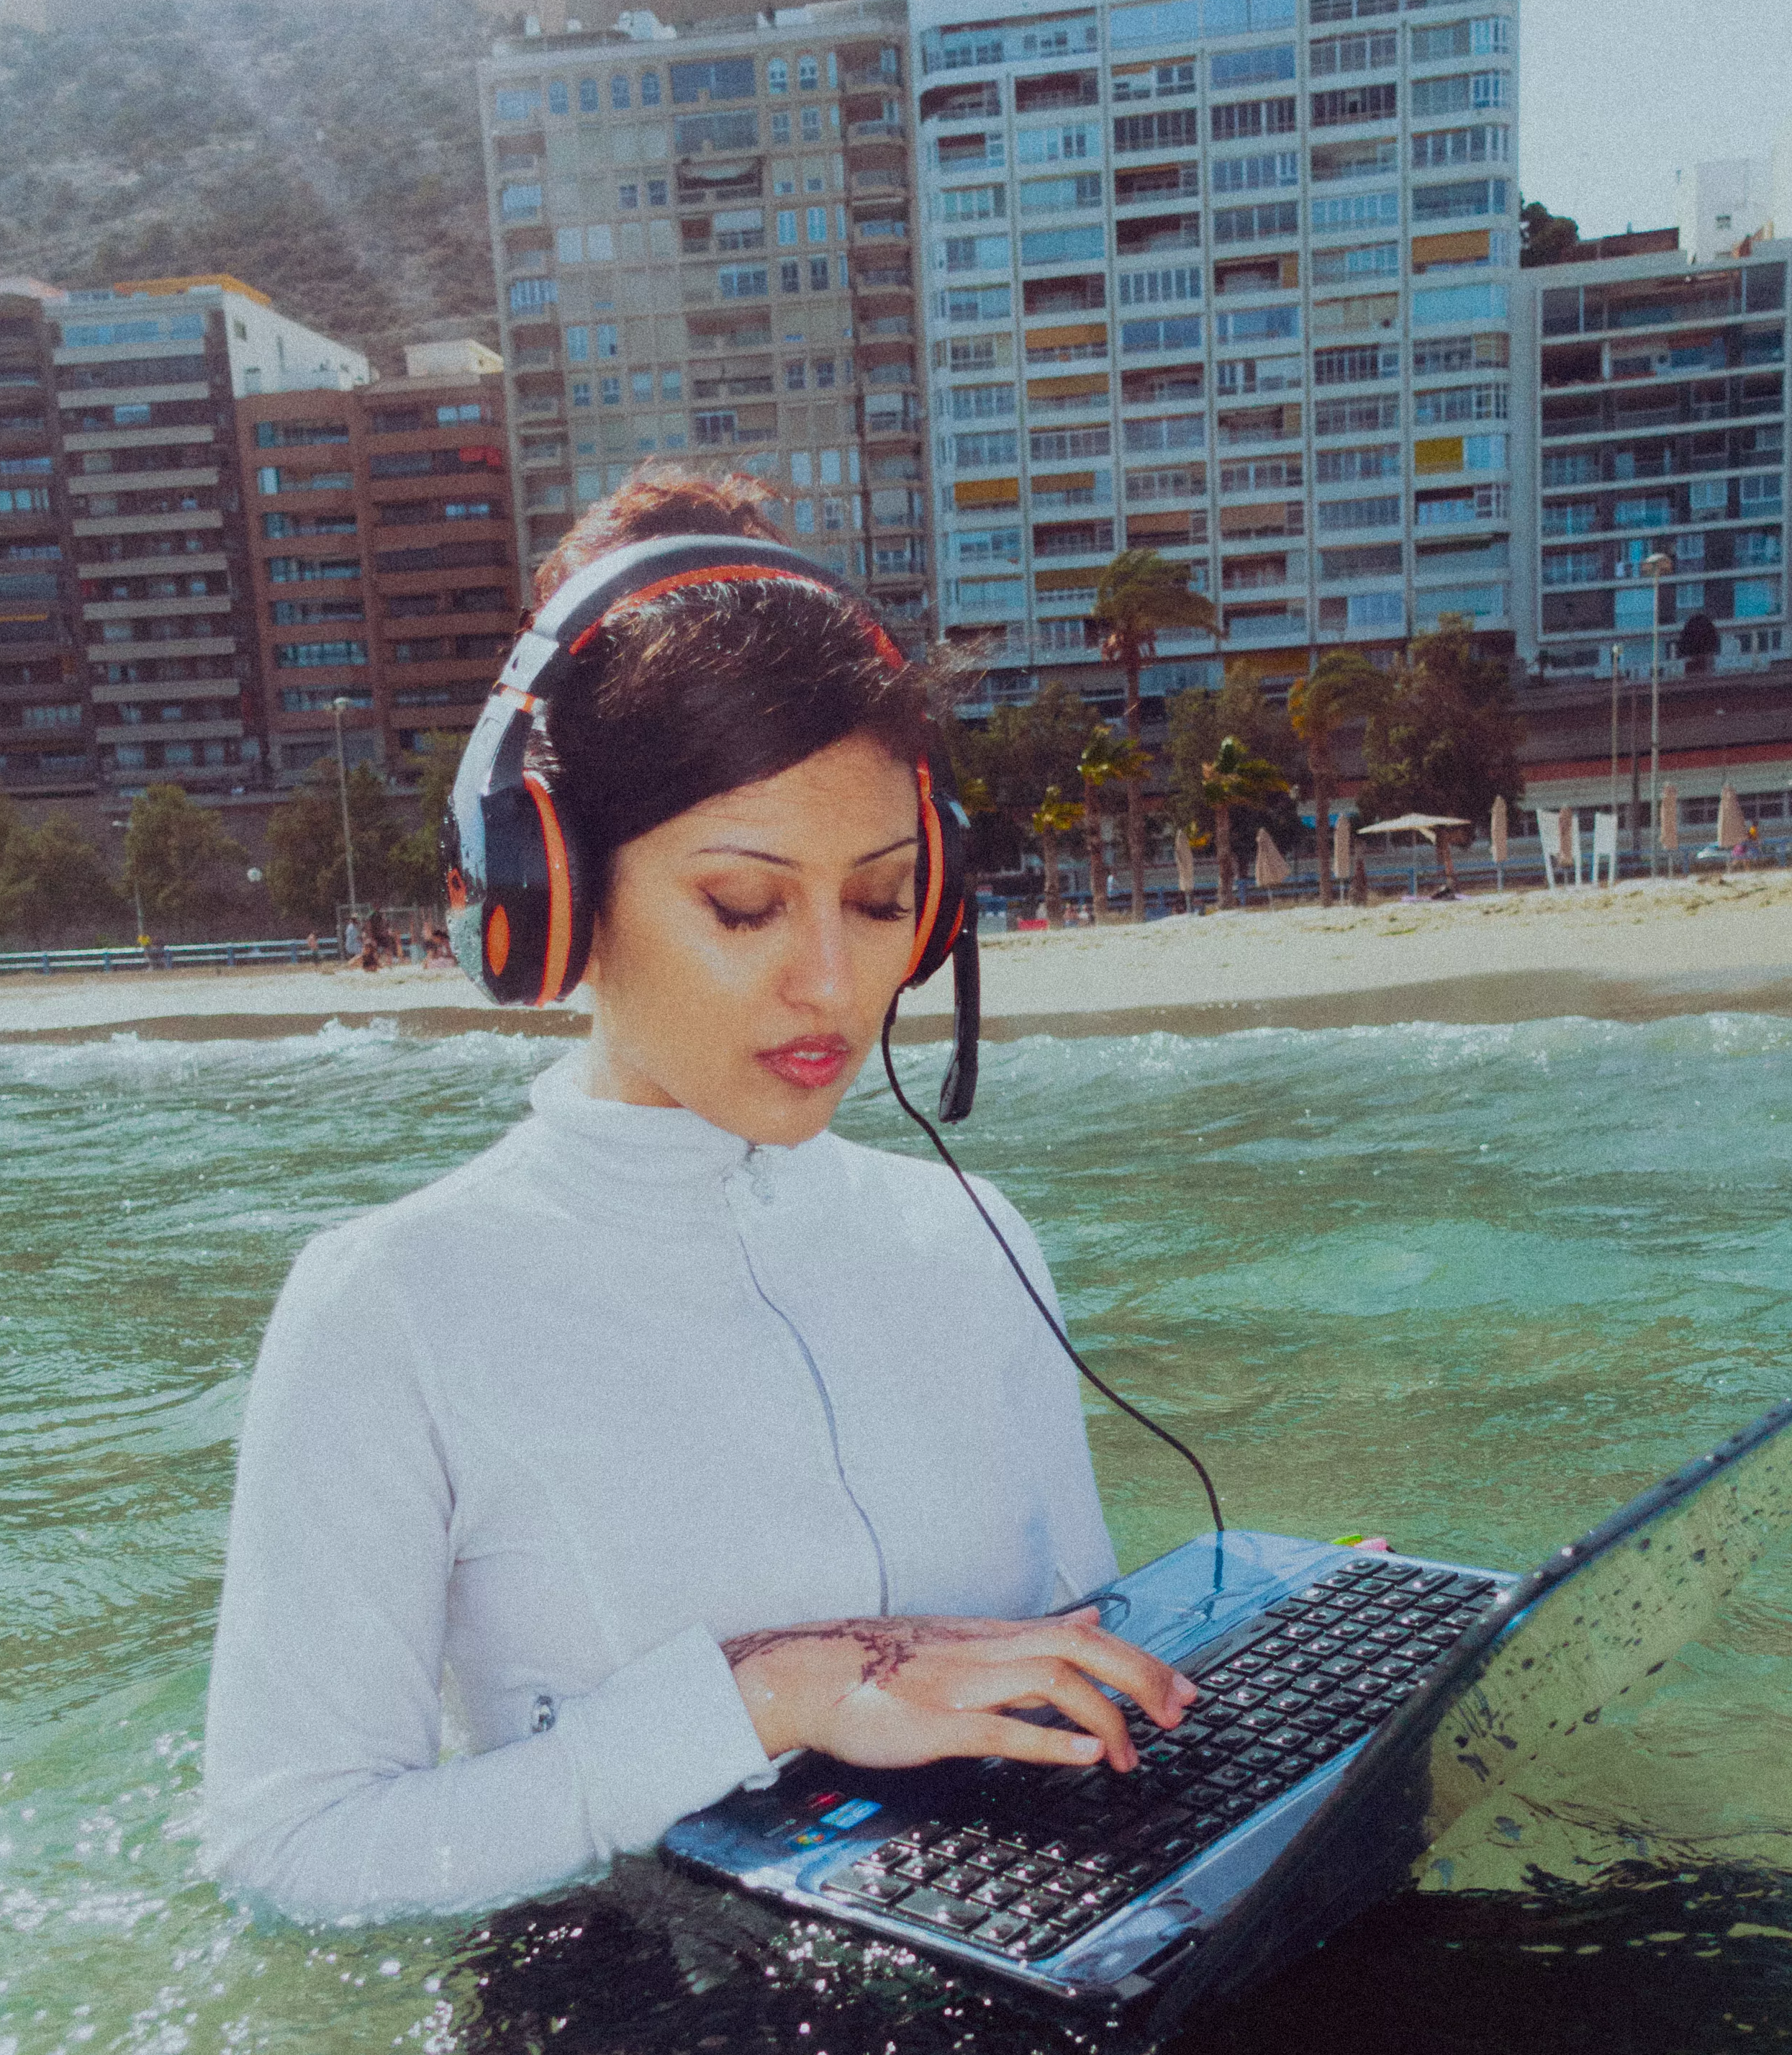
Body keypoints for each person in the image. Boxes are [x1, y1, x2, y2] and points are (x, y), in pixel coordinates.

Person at [202, 465, 1193, 1923]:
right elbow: (286, 1858)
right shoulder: (397, 1302)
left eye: (878, 898)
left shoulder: (975, 1243)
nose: (833, 982)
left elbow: (1070, 1661)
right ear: (554, 894)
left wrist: (1220, 1659)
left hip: (1079, 1960)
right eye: (744, 906)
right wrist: (767, 1693)